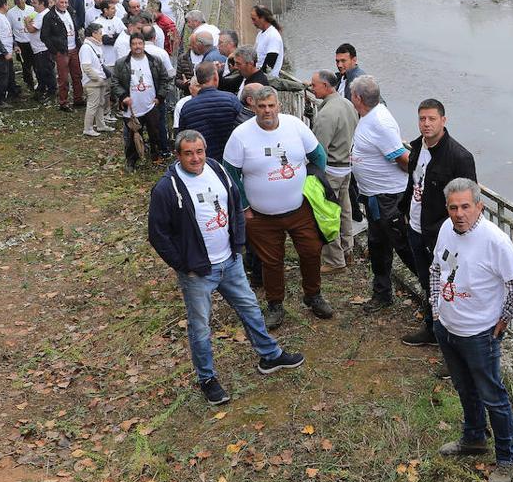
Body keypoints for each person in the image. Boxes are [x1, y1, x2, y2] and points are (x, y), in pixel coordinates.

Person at [148, 130, 304, 406]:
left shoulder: (217, 169)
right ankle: (207, 378)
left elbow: (235, 207)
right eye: (188, 153)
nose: (195, 158)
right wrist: (183, 264)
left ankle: (270, 355)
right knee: (200, 327)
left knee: (251, 309)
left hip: (230, 261)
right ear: (178, 155)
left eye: (199, 151)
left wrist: (238, 246)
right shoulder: (166, 188)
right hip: (198, 271)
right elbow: (158, 234)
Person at [430, 178, 513, 482]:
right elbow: (436, 269)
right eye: (453, 207)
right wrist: (436, 307)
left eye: (465, 207)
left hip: (479, 334)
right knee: (464, 388)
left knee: (493, 397)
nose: (459, 214)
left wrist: (503, 320)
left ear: (479, 207)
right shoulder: (446, 229)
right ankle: (473, 437)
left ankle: (506, 458)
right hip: (447, 327)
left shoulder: (495, 241)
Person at [222, 85, 334, 329]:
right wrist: (243, 207)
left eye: (271, 105)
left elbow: (319, 156)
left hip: (299, 209)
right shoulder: (241, 135)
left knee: (311, 251)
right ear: (253, 107)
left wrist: (312, 185)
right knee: (271, 262)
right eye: (261, 107)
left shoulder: (295, 126)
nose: (267, 111)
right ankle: (275, 304)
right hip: (261, 215)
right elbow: (230, 173)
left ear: (278, 106)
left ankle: (313, 295)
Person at [401, 98, 477, 346]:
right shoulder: (417, 149)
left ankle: (452, 342)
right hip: (415, 227)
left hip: (442, 235)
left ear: (443, 120)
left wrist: (462, 238)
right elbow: (413, 184)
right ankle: (432, 330)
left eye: (432, 118)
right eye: (422, 118)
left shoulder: (459, 157)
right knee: (428, 283)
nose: (426, 124)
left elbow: (469, 203)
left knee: (450, 288)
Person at [350, 76, 416, 311]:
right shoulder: (370, 116)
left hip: (388, 198)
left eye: (352, 95)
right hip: (375, 197)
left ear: (357, 98)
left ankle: (435, 297)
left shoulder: (379, 122)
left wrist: (415, 182)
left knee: (405, 247)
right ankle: (382, 294)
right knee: (378, 245)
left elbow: (404, 159)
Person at [309, 70, 359, 272]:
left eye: (314, 85)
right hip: (346, 167)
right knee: (345, 210)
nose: (311, 89)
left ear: (326, 86)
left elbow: (319, 149)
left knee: (326, 214)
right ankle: (348, 250)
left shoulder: (327, 113)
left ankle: (334, 259)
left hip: (331, 169)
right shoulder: (348, 104)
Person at [111, 35, 170, 169]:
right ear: (130, 46)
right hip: (132, 108)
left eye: (139, 43)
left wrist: (160, 97)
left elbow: (164, 79)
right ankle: (131, 161)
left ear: (144, 44)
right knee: (132, 136)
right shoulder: (122, 63)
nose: (137, 46)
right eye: (134, 44)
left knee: (155, 133)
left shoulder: (155, 61)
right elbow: (115, 82)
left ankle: (156, 157)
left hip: (151, 105)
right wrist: (123, 96)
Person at [178, 61, 242, 156]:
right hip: (229, 157)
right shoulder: (231, 100)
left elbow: (183, 137)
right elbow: (243, 126)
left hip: (202, 159)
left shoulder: (187, 107)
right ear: (216, 77)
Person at [41, 0, 84, 111]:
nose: (64, 5)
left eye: (66, 2)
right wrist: (54, 51)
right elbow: (44, 36)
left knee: (77, 75)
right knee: (63, 78)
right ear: (55, 2)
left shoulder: (71, 11)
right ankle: (63, 102)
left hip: (74, 48)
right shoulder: (49, 16)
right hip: (61, 51)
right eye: (61, 2)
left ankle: (78, 98)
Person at [79, 22, 112, 137]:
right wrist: (97, 79)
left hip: (100, 79)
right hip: (93, 81)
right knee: (93, 104)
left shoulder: (96, 45)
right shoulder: (86, 48)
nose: (102, 35)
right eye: (100, 33)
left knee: (100, 103)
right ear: (93, 34)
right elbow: (86, 67)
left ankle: (101, 125)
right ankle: (87, 128)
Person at [24, 0, 57, 101]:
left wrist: (26, 22)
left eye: (35, 3)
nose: (33, 5)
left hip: (43, 48)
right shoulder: (38, 14)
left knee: (46, 70)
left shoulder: (43, 15)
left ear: (42, 3)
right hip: (38, 48)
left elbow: (31, 29)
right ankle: (43, 88)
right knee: (41, 70)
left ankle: (51, 91)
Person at [7, 0, 37, 94]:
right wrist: (14, 44)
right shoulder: (11, 13)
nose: (20, 1)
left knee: (36, 63)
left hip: (32, 41)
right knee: (25, 64)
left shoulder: (31, 9)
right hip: (20, 42)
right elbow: (10, 30)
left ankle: (38, 82)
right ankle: (29, 83)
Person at [251, 5, 284, 76]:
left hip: (267, 80)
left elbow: (269, 65)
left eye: (254, 19)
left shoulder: (273, 36)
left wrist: (256, 77)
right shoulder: (260, 34)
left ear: (262, 18)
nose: (252, 22)